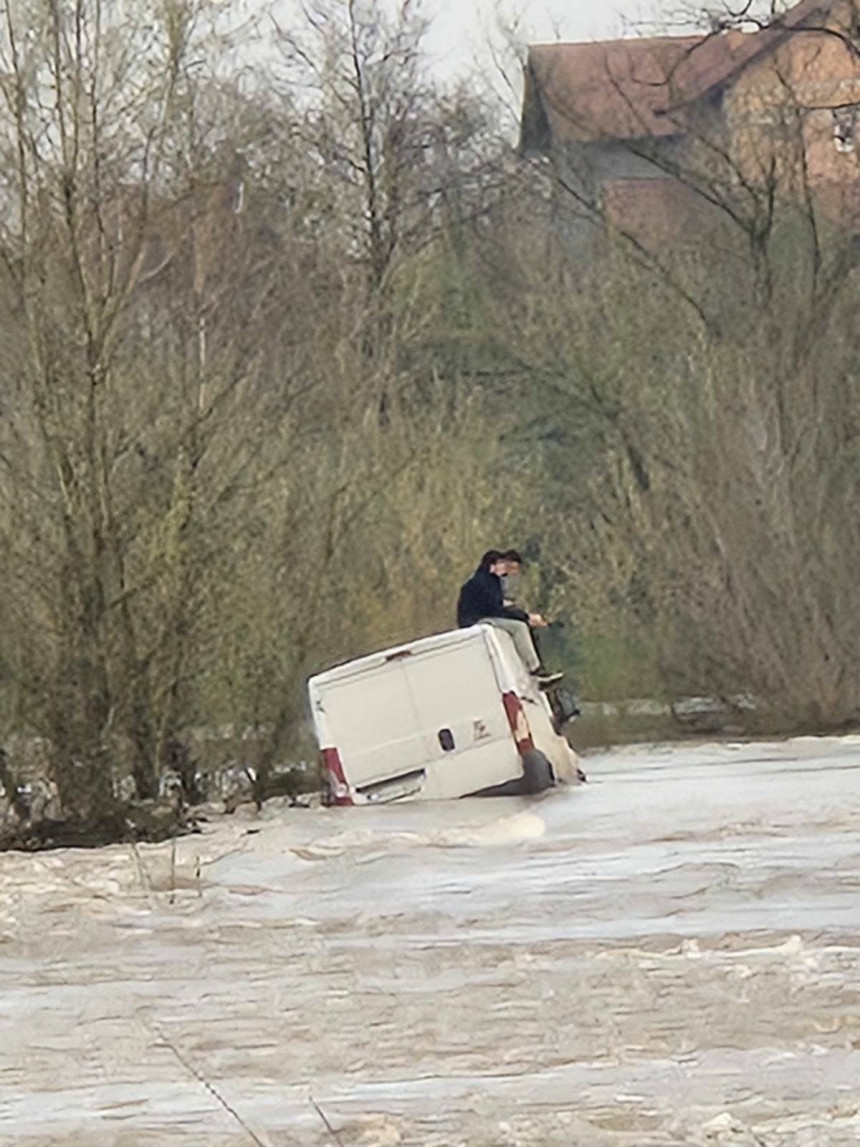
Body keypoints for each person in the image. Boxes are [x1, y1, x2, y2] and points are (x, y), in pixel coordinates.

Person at [456, 551, 562, 686]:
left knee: (520, 625)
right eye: (503, 565)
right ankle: (535, 669)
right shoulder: (483, 582)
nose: (506, 569)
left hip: (482, 616)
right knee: (519, 628)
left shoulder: (489, 581)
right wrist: (525, 617)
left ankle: (531, 666)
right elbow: (496, 609)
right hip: (476, 621)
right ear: (493, 565)